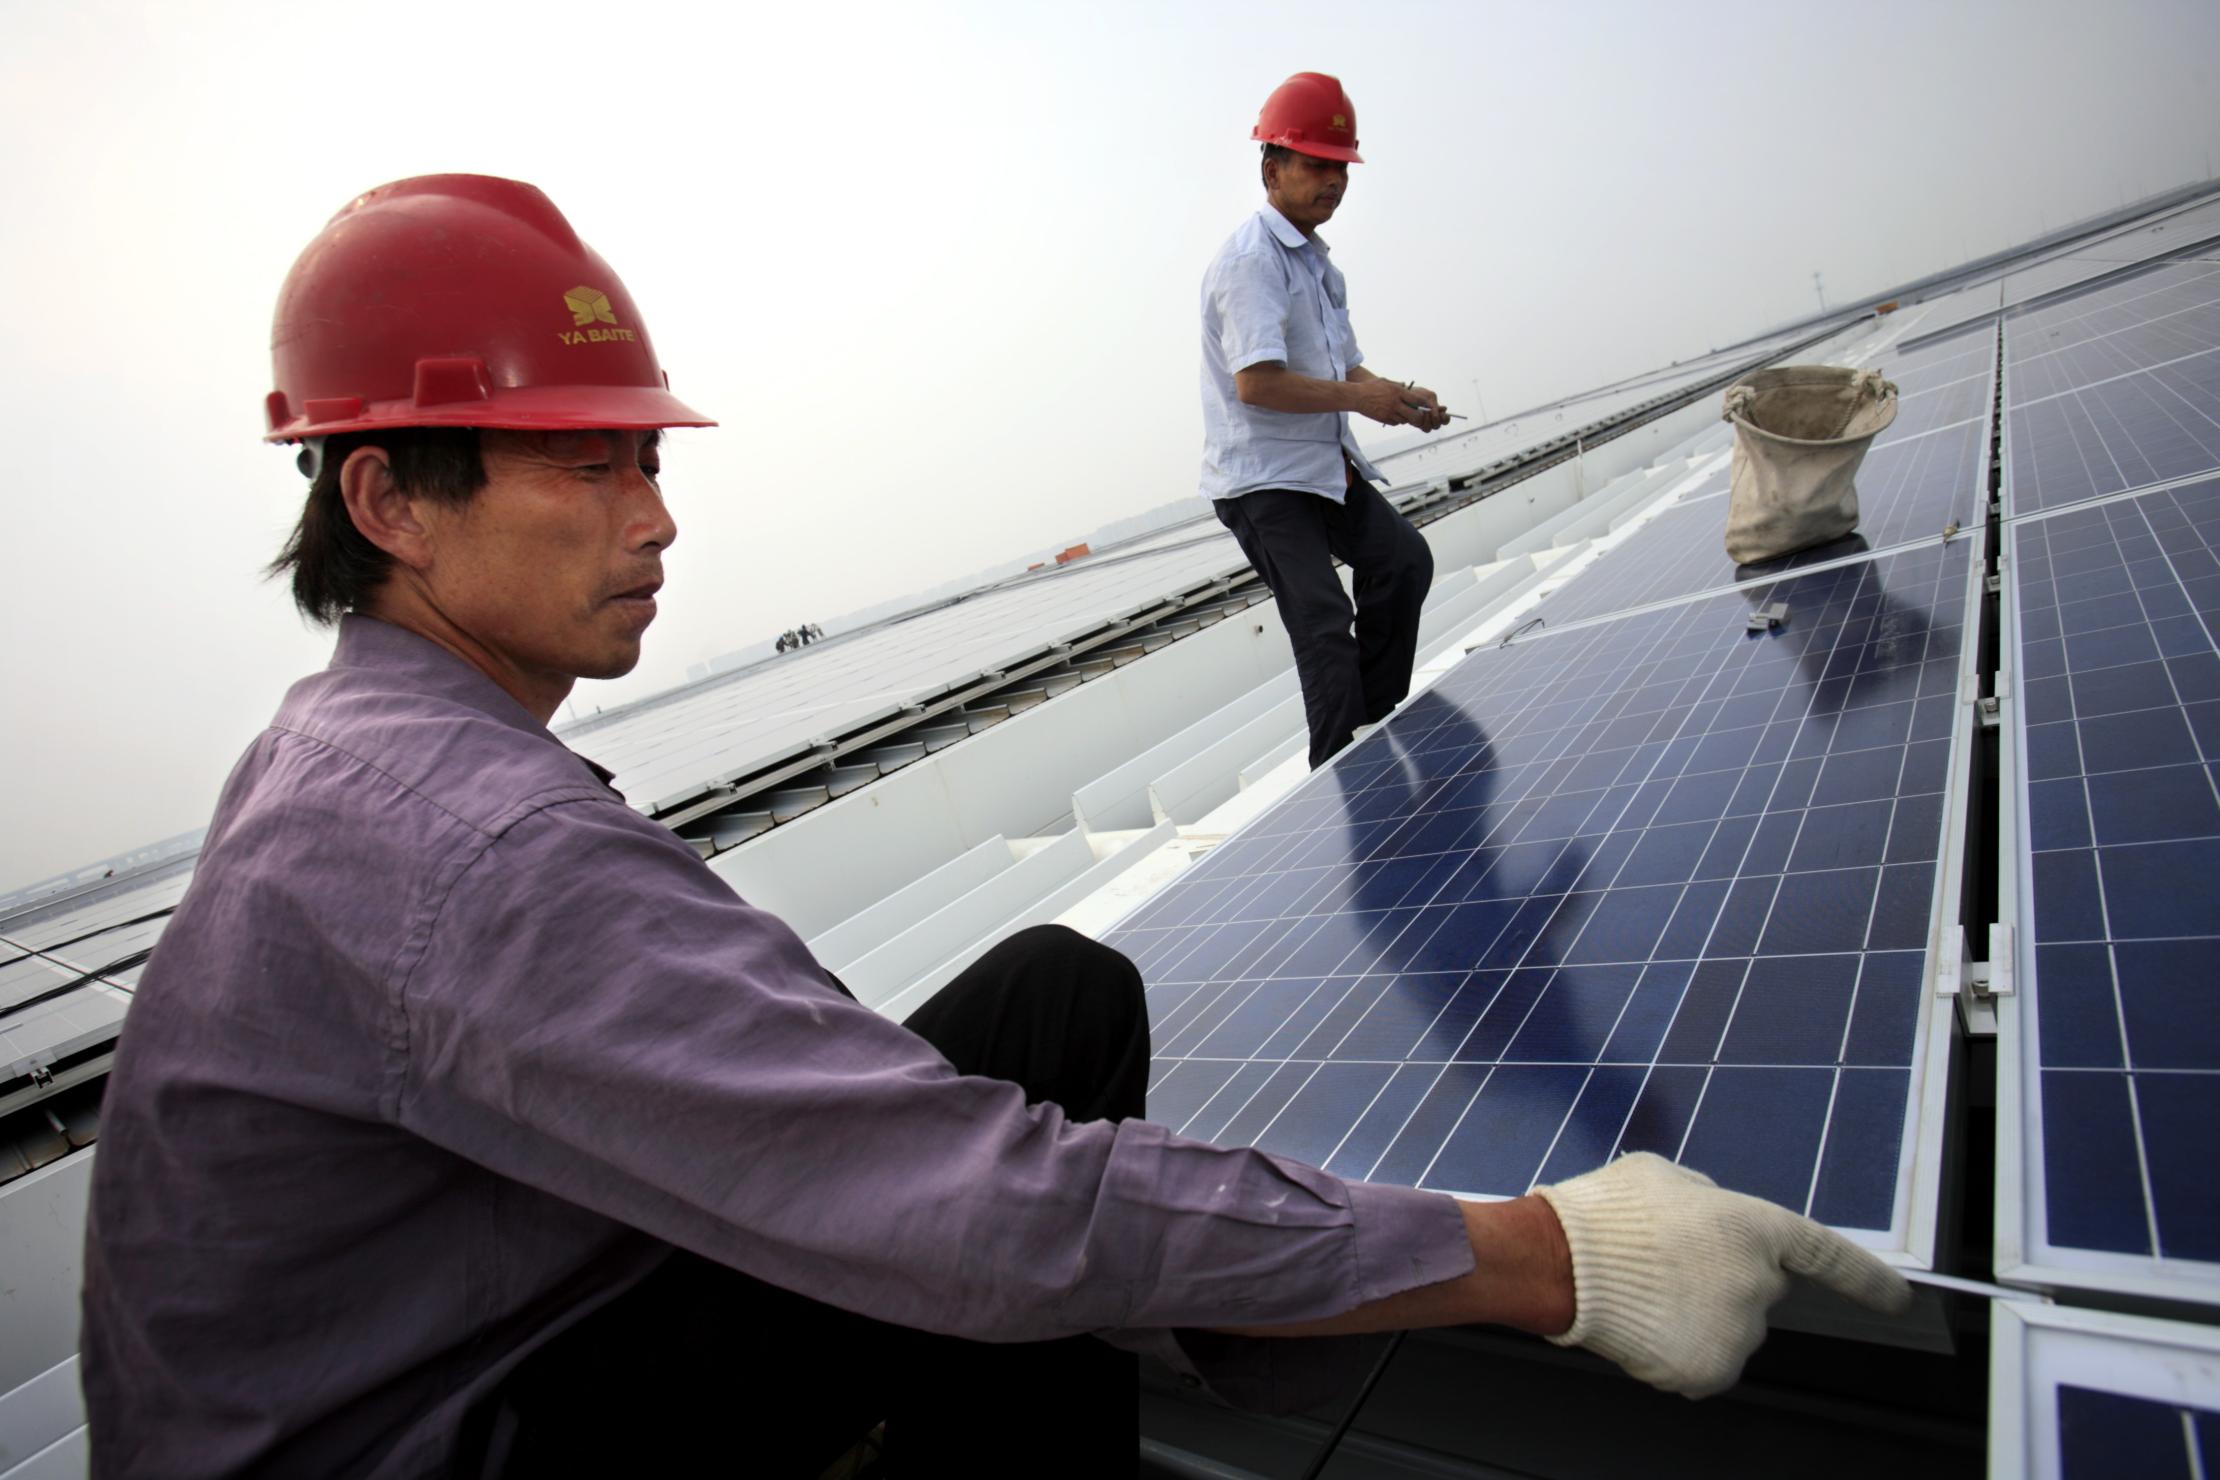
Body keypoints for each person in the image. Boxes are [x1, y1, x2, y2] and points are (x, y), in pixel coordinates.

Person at [80, 174, 1908, 1480]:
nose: (656, 518)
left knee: (1047, 996)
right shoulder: (462, 844)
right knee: (986, 1225)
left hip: (485, 1352)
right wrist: (1549, 1259)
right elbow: (964, 1201)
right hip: (449, 1437)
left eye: (650, 456)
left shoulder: (354, 756)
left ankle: (1207, 1323)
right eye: (590, 461)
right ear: (392, 496)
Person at [1201, 72, 1453, 768]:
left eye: (1340, 168)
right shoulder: (1251, 263)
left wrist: (1400, 396)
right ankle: (1339, 772)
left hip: (1321, 464)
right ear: (1272, 169)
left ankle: (1371, 731)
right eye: (1316, 165)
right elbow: (1257, 384)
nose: (1333, 181)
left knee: (1402, 563)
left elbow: (1348, 372)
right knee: (1321, 622)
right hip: (1265, 482)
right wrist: (1359, 400)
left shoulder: (1316, 264)